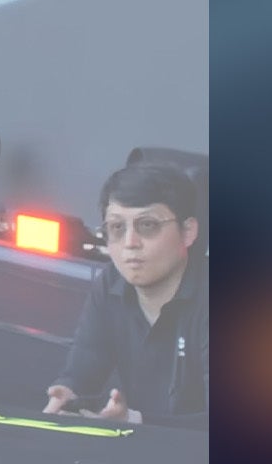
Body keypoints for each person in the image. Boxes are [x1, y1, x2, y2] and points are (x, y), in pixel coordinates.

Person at [45, 162, 208, 427]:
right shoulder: (110, 283)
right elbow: (82, 371)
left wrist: (136, 421)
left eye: (147, 225)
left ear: (188, 231)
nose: (130, 243)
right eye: (117, 228)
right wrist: (68, 394)